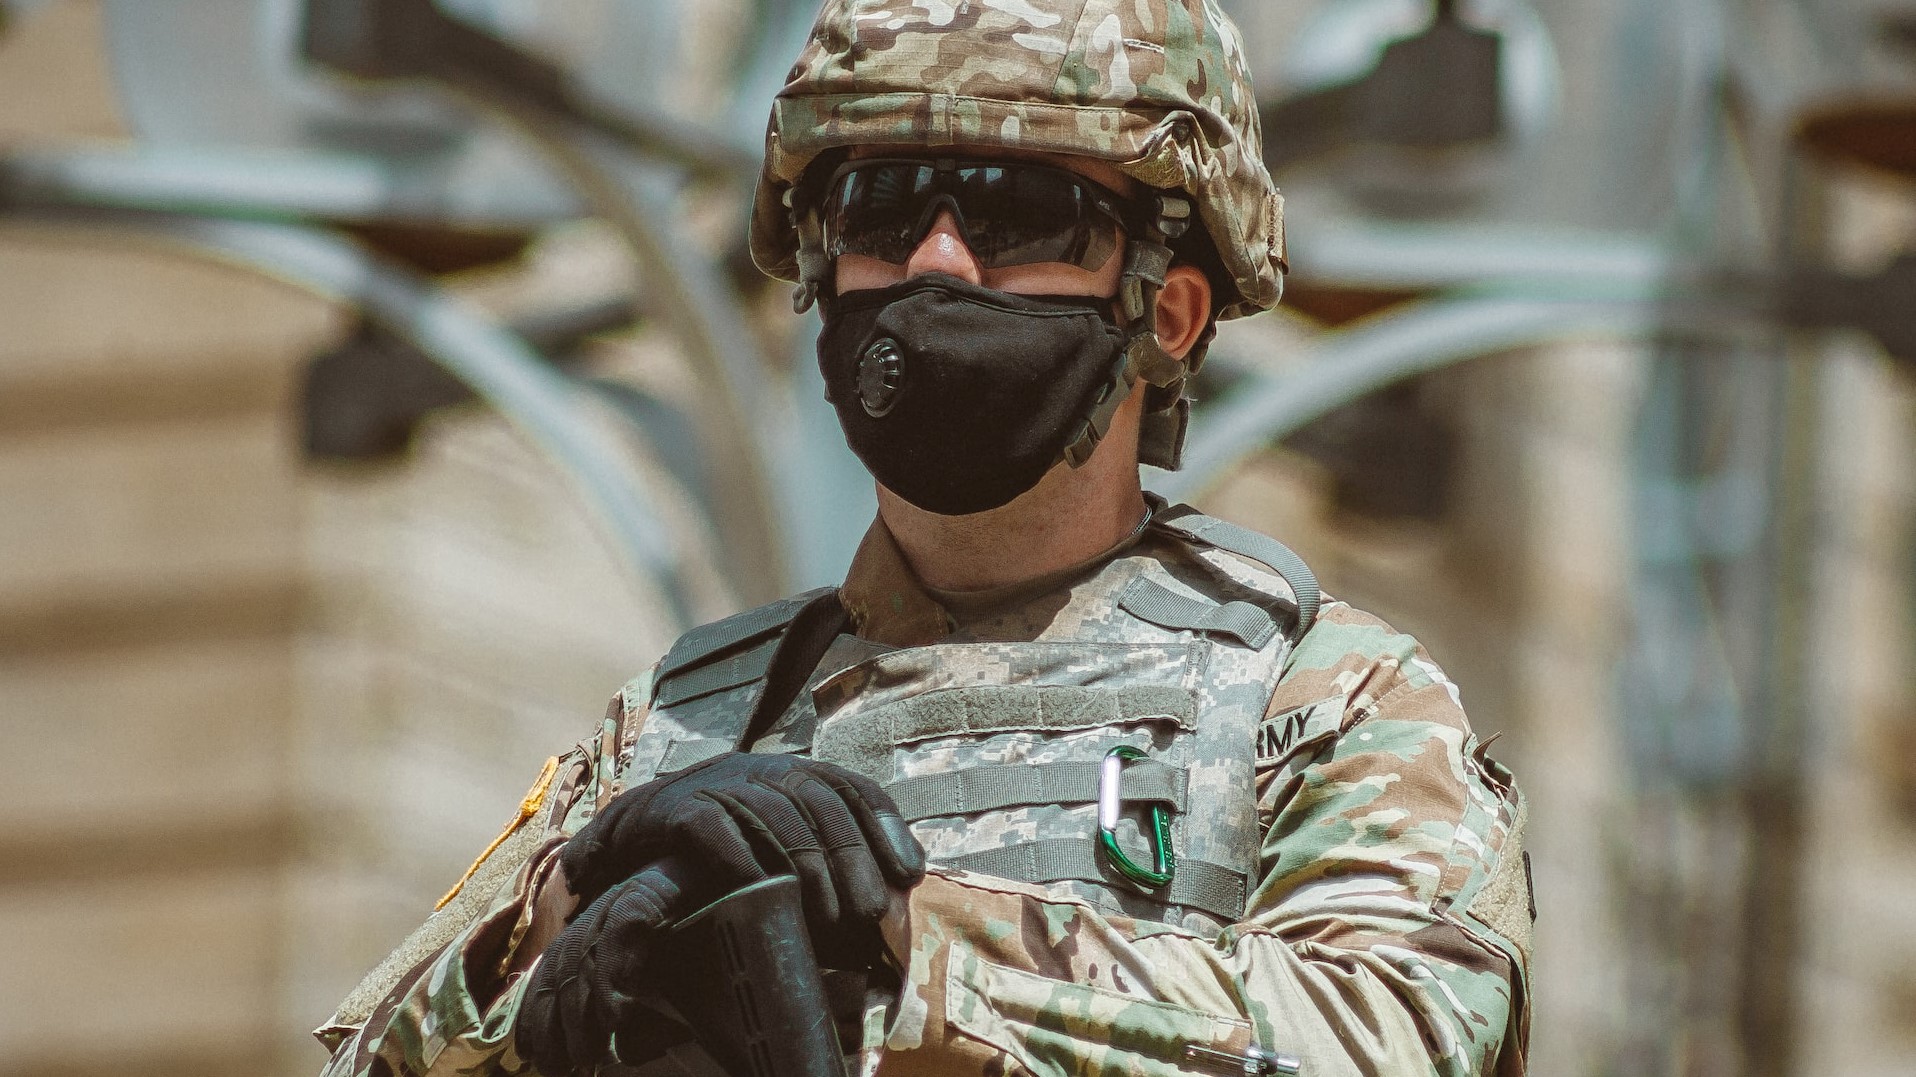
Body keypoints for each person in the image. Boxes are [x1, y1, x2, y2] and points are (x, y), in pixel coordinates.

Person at [315, 1, 1534, 1074]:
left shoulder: (1320, 695)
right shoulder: (682, 727)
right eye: (881, 209)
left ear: (1163, 310)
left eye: (1016, 218)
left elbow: (1402, 1036)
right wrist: (570, 897)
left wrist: (900, 934)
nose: (937, 262)